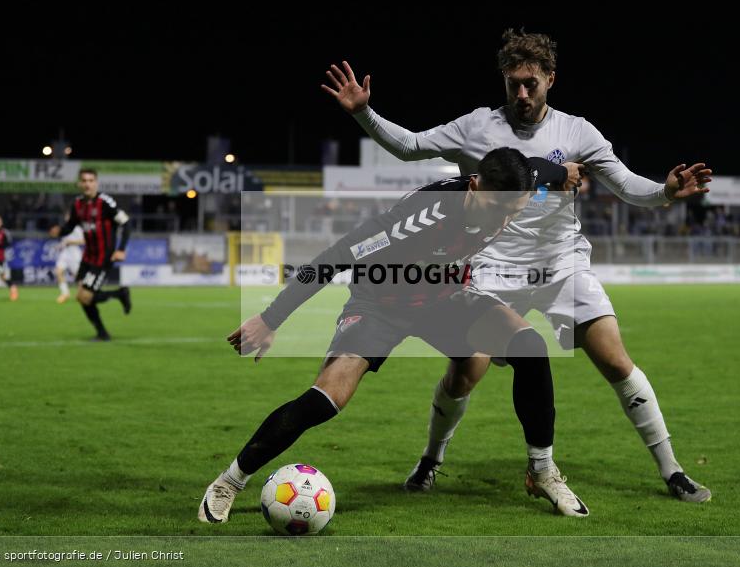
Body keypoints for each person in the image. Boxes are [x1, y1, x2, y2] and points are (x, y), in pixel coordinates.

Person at [322, 28, 712, 504]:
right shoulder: (478, 126)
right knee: (467, 372)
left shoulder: (577, 132)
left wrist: (665, 192)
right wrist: (364, 112)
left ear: (551, 78)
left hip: (560, 265)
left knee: (615, 360)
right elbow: (411, 146)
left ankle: (672, 470)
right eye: (513, 85)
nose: (522, 94)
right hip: (491, 270)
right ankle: (431, 459)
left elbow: (627, 186)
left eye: (532, 83)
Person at [199, 148, 592, 524]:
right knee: (327, 398)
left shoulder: (521, 181)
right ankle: (229, 481)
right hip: (380, 303)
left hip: (444, 296)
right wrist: (271, 319)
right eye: (497, 209)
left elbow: (547, 169)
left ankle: (541, 471)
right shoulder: (419, 217)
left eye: (514, 211)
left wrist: (569, 172)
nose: (502, 221)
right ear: (474, 186)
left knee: (529, 345)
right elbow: (335, 256)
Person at [50, 168, 132, 340]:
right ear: (79, 183)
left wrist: (121, 249)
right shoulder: (77, 204)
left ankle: (119, 296)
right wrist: (59, 232)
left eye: (91, 180)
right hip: (87, 257)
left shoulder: (105, 202)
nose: (87, 184)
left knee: (86, 296)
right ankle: (103, 331)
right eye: (84, 181)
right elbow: (70, 226)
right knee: (81, 297)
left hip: (103, 257)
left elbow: (126, 223)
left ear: (96, 183)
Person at [55, 213, 84, 303]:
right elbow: (64, 241)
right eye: (67, 216)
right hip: (65, 253)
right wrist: (60, 246)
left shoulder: (77, 229)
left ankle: (81, 294)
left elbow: (83, 241)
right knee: (58, 272)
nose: (67, 218)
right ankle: (65, 293)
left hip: (74, 254)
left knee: (78, 277)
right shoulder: (65, 228)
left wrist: (71, 242)